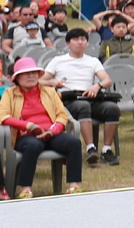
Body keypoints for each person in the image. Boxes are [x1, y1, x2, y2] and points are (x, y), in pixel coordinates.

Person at [0, 57, 83, 197]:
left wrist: (52, 131)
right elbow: (2, 117)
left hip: (51, 133)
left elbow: (62, 115)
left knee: (74, 142)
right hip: (25, 136)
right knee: (33, 145)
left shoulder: (49, 91)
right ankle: (26, 189)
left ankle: (73, 186)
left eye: (34, 73)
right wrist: (28, 126)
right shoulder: (9, 93)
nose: (31, 76)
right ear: (17, 78)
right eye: (26, 73)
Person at [43, 28, 119, 166]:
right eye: (76, 39)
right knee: (82, 107)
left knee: (112, 108)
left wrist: (98, 86)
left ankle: (107, 150)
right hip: (68, 99)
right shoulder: (58, 60)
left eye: (83, 39)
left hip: (89, 97)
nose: (80, 42)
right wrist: (52, 82)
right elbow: (40, 81)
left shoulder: (93, 61)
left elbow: (107, 80)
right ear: (68, 43)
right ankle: (91, 148)